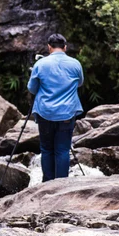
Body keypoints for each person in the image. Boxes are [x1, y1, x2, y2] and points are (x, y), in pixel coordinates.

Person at [27, 33, 84, 182]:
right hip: (67, 113)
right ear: (65, 47)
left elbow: (32, 89)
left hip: (45, 113)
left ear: (49, 48)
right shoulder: (75, 64)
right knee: (63, 150)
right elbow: (79, 83)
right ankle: (62, 185)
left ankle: (47, 183)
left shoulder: (40, 64)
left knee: (46, 149)